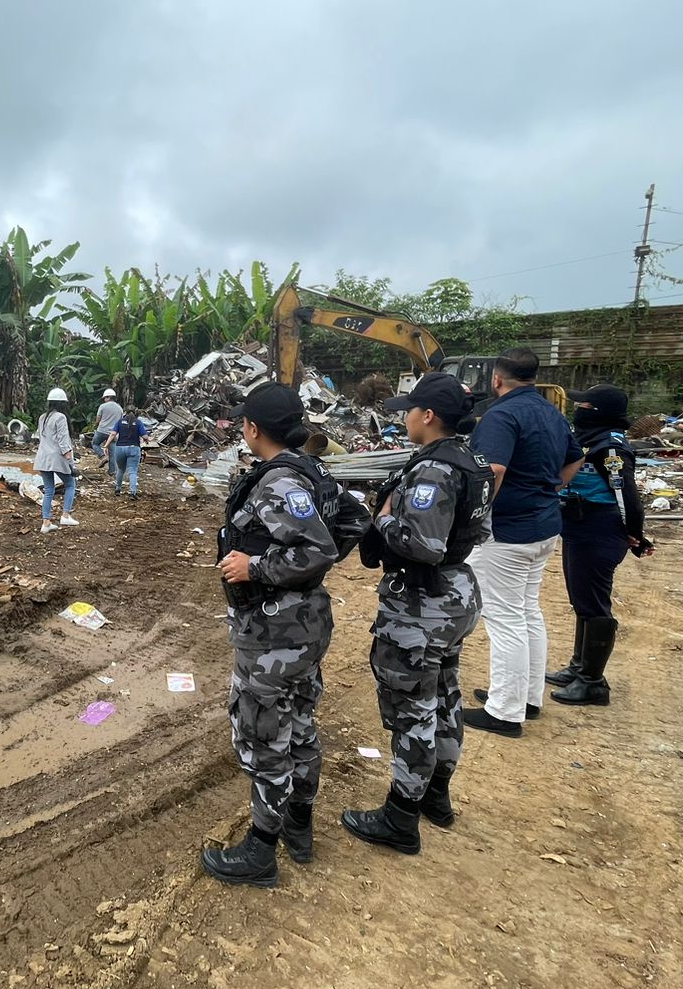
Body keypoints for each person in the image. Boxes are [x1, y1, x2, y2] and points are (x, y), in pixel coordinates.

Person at [203, 383, 370, 888]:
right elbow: (356, 519)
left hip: (274, 632)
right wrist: (302, 575)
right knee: (298, 724)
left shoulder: (280, 483)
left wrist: (259, 567)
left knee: (264, 733)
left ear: (253, 429)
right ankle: (299, 826)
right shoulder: (312, 469)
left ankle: (261, 849)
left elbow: (316, 549)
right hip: (304, 624)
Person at [342, 373, 494, 854]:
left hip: (421, 606)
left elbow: (424, 545)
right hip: (454, 596)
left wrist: (381, 517)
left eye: (410, 409)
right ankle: (436, 796)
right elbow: (478, 532)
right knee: (445, 698)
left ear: (427, 416)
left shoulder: (434, 471)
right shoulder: (471, 461)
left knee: (414, 709)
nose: (405, 416)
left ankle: (400, 816)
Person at [460, 348, 584, 739]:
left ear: (496, 379)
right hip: (544, 524)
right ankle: (527, 697)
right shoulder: (551, 411)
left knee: (503, 615)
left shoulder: (501, 414)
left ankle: (504, 711)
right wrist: (547, 489)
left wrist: (476, 515)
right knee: (526, 609)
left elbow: (494, 468)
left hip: (509, 530)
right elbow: (575, 458)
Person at [546, 384, 653, 706]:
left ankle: (594, 682)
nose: (578, 409)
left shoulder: (611, 450)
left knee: (594, 605)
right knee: (582, 600)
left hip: (598, 529)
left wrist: (634, 533)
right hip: (579, 528)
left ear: (600, 411)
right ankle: (579, 666)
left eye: (585, 405)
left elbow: (628, 498)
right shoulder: (589, 441)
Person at [33, 387, 80, 533]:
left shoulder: (42, 417)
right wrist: (71, 464)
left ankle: (46, 523)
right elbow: (64, 442)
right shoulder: (61, 417)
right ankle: (65, 515)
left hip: (42, 457)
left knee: (48, 490)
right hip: (56, 458)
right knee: (71, 484)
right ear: (63, 404)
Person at [103, 405, 148, 498]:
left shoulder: (119, 422)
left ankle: (118, 489)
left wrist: (105, 446)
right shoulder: (138, 423)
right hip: (133, 448)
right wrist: (146, 440)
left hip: (120, 448)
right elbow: (145, 436)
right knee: (132, 471)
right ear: (136, 413)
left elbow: (112, 434)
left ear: (125, 412)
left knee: (120, 469)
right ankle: (132, 492)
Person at [93, 388, 123, 477]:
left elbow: (98, 418)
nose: (104, 400)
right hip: (113, 434)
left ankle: (102, 456)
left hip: (102, 430)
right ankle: (112, 471)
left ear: (108, 397)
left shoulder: (103, 406)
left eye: (105, 398)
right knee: (112, 453)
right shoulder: (120, 408)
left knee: (95, 444)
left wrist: (96, 425)